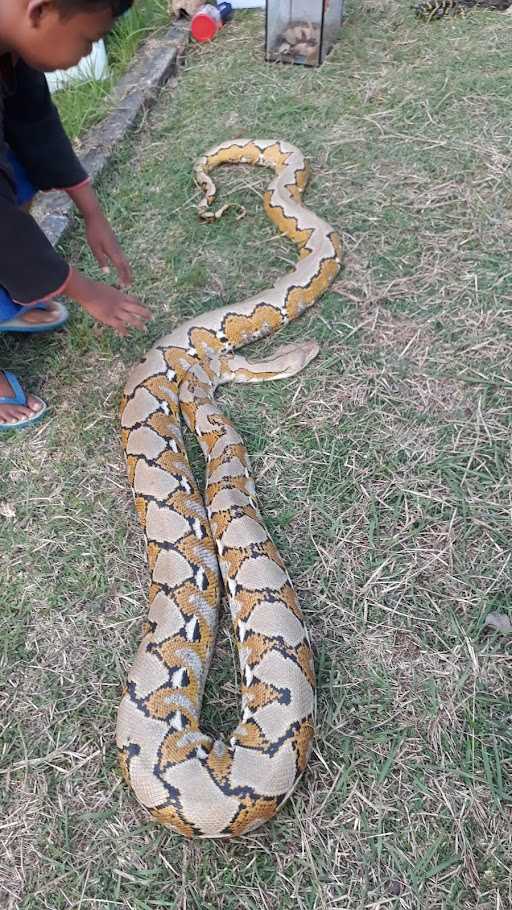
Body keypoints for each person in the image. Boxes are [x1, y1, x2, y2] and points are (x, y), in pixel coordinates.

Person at [0, 0, 151, 429]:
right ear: (40, 11)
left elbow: (35, 123)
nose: (87, 53)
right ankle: (13, 289)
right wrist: (84, 290)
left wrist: (92, 212)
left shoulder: (12, 40)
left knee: (19, 169)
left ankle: (10, 296)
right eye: (89, 40)